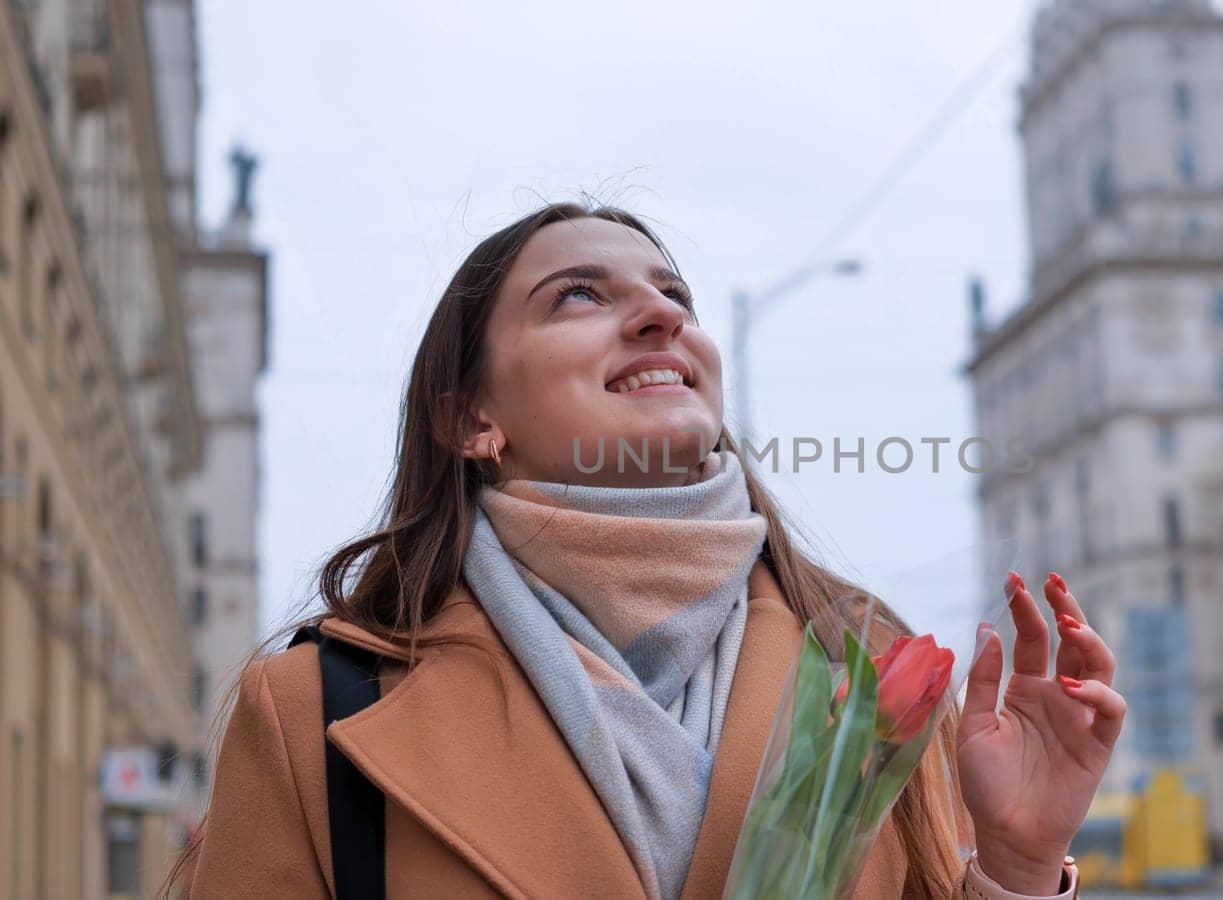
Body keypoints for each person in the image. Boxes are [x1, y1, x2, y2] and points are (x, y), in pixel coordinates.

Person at [167, 203, 1125, 899]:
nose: (662, 315)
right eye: (578, 295)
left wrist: (1017, 866)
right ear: (470, 420)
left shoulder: (866, 679)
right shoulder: (317, 716)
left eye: (675, 294)